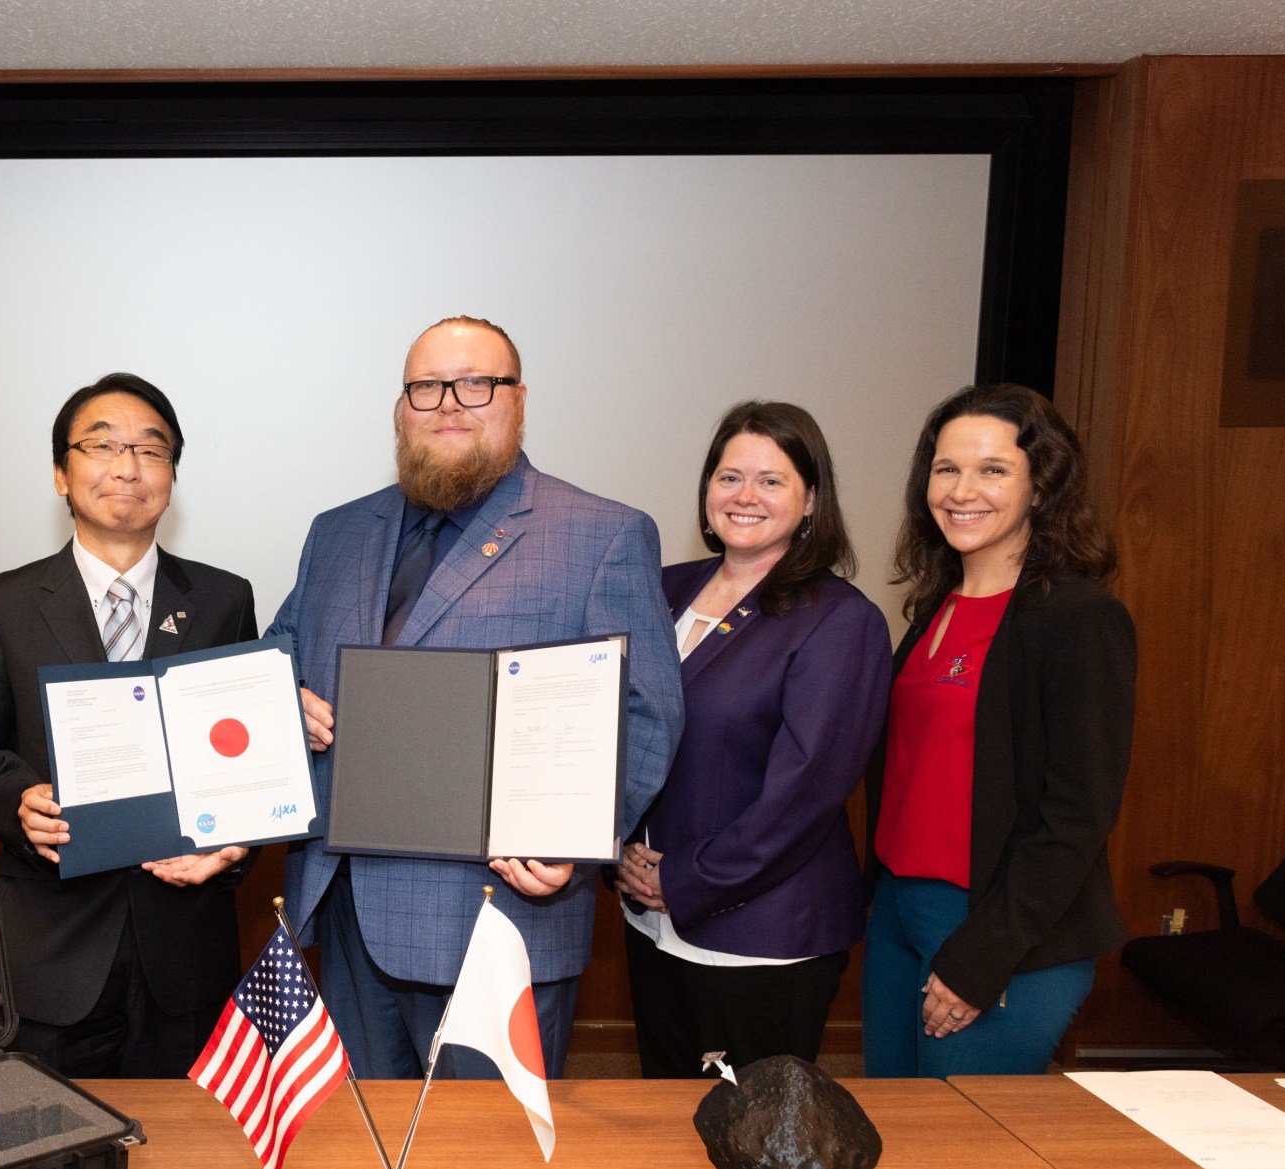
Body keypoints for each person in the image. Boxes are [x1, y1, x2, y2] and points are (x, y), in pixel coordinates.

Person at [269, 316, 683, 1079]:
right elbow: (282, 654)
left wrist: (575, 832)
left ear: (518, 401)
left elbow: (647, 713)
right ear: (401, 410)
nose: (450, 403)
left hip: (495, 915)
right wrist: (280, 706)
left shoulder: (602, 534)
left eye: (476, 384)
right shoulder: (337, 532)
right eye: (426, 387)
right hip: (345, 912)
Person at [0, 373, 257, 1078]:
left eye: (152, 450)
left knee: (191, 1167)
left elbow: (245, 754)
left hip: (184, 945)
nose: (127, 467)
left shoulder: (222, 599)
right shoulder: (1, 604)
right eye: (102, 446)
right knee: (51, 1158)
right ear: (61, 472)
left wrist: (235, 846)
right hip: (51, 947)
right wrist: (15, 800)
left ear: (172, 476)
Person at [862, 383, 1135, 1077]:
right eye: (947, 468)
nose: (962, 490)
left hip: (1001, 928)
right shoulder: (936, 607)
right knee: (892, 1138)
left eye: (993, 470)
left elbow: (1078, 813)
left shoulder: (1078, 619)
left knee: (959, 1160)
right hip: (899, 907)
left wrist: (984, 956)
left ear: (1041, 487)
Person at [615, 401, 890, 1077]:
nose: (744, 496)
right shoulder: (661, 590)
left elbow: (803, 794)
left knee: (754, 1144)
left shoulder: (839, 621)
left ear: (811, 502)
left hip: (761, 937)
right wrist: (611, 852)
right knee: (666, 1122)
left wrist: (680, 878)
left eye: (771, 480)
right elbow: (616, 733)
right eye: (729, 476)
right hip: (649, 919)